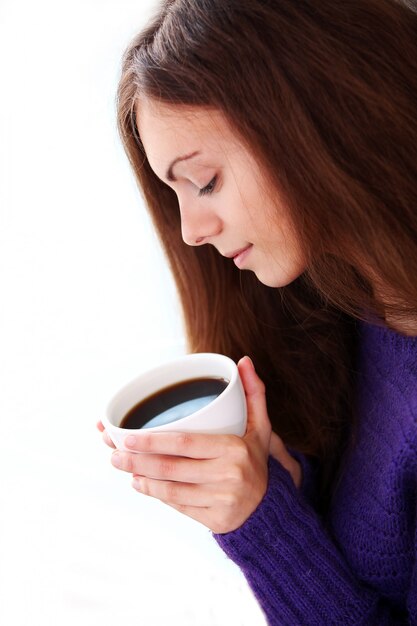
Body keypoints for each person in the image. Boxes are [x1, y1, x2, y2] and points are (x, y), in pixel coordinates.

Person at [97, 1, 417, 623]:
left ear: (319, 121)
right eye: (177, 193)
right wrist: (283, 493)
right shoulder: (353, 311)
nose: (190, 230)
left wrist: (263, 527)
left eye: (206, 181)